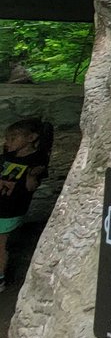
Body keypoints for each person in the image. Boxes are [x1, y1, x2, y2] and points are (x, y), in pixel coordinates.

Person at [0, 118, 52, 291]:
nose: (8, 142)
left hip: (11, 209)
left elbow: (31, 187)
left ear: (31, 138)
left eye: (13, 138)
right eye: (7, 138)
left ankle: (0, 277)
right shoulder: (6, 157)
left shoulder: (36, 161)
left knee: (2, 244)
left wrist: (31, 176)